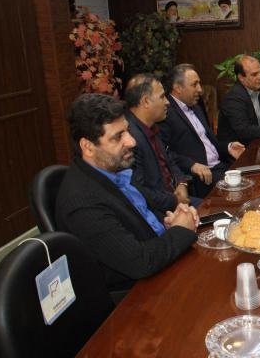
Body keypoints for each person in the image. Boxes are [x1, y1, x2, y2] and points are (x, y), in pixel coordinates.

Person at [56, 93, 199, 294]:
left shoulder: (114, 170)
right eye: (118, 136)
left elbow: (137, 220)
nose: (131, 141)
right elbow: (140, 262)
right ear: (88, 147)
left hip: (162, 266)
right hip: (138, 295)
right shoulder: (82, 203)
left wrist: (168, 223)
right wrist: (180, 230)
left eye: (128, 131)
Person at [159, 64, 245, 197]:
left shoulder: (196, 106)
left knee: (257, 174)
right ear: (178, 88)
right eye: (194, 85)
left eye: (199, 83)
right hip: (203, 177)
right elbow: (163, 152)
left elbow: (208, 142)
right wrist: (191, 165)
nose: (200, 89)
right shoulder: (165, 112)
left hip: (222, 165)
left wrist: (228, 147)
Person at [124, 73, 202, 213]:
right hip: (159, 213)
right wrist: (175, 200)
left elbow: (169, 160)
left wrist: (182, 183)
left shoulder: (151, 126)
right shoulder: (129, 139)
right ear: (146, 101)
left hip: (176, 200)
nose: (167, 102)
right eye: (162, 97)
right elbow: (140, 193)